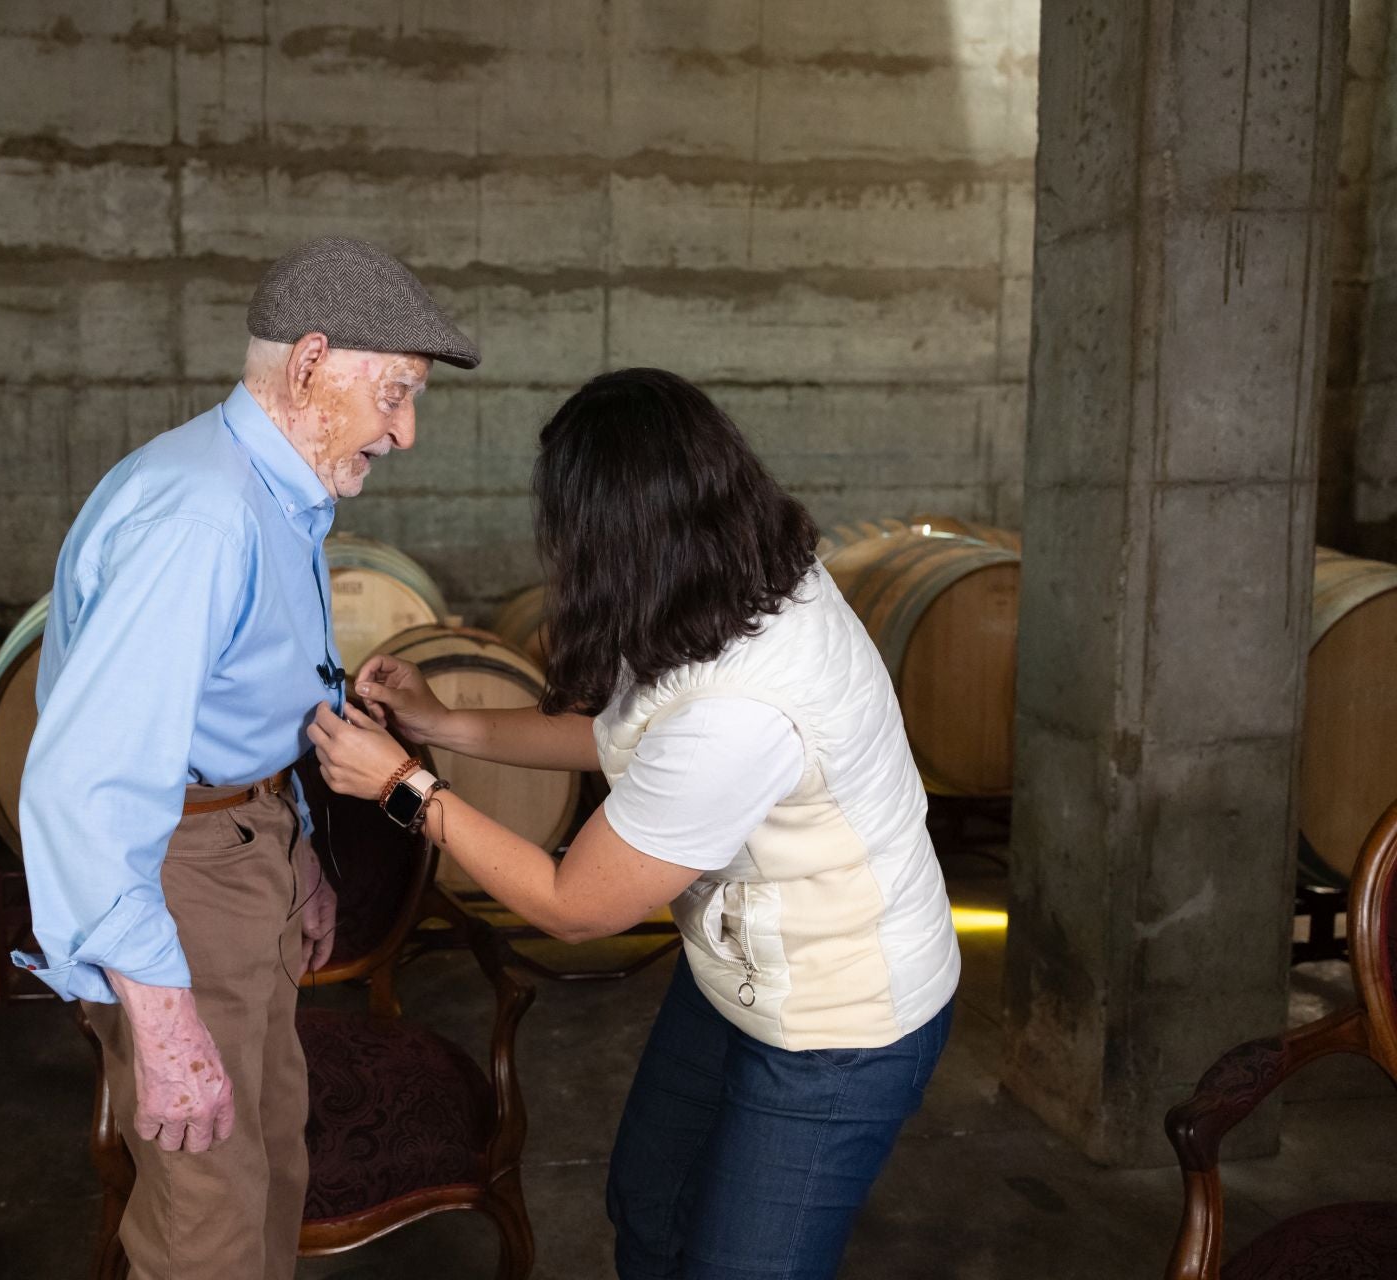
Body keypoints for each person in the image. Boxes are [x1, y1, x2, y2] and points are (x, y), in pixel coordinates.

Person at [310, 367, 959, 1280]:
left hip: (838, 1022)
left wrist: (406, 786)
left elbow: (577, 906)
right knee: (650, 1201)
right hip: (741, 970)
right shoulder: (730, 583)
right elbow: (635, 742)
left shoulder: (746, 706)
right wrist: (445, 724)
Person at [12, 236, 479, 1280]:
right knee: (208, 1217)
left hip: (242, 845)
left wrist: (297, 838)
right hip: (182, 876)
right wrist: (163, 1017)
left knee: (268, 1157)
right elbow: (88, 780)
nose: (405, 430)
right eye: (396, 391)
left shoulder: (273, 492)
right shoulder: (203, 514)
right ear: (311, 362)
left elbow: (250, 698)